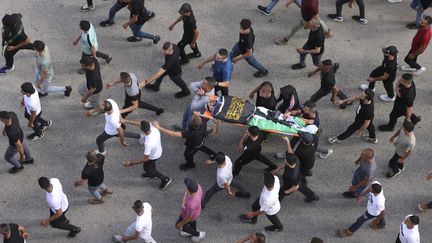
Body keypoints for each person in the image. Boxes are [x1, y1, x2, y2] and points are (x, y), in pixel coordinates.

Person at [122, 120, 172, 190]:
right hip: (158, 151)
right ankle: (151, 174)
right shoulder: (153, 127)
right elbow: (153, 122)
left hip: (153, 156)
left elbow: (146, 159)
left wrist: (131, 163)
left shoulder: (148, 143)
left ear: (142, 130)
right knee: (150, 166)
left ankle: (165, 179)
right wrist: (125, 121)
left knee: (147, 168)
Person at [273, 136, 319, 203]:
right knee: (302, 186)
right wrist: (288, 141)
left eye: (285, 160)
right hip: (299, 175)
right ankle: (312, 196)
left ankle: (276, 202)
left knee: (281, 193)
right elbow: (290, 152)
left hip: (290, 184)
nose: (284, 160)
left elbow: (296, 187)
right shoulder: (295, 160)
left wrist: (287, 191)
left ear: (288, 163)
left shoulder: (291, 176)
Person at [176, 177, 206, 242]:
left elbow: (188, 218)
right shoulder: (198, 187)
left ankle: (199, 234)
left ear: (189, 190)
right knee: (192, 222)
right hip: (195, 213)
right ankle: (193, 232)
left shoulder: (191, 204)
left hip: (187, 215)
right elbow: (202, 198)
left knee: (181, 226)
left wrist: (181, 224)